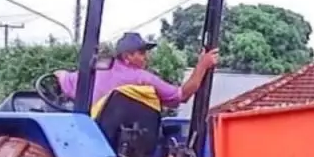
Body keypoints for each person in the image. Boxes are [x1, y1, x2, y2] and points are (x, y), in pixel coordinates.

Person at [55, 32, 218, 112]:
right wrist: (202, 65)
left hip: (94, 137)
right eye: (141, 53)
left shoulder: (95, 73)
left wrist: (60, 74)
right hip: (131, 147)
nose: (145, 57)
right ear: (127, 57)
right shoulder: (143, 78)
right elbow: (183, 95)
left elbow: (60, 76)